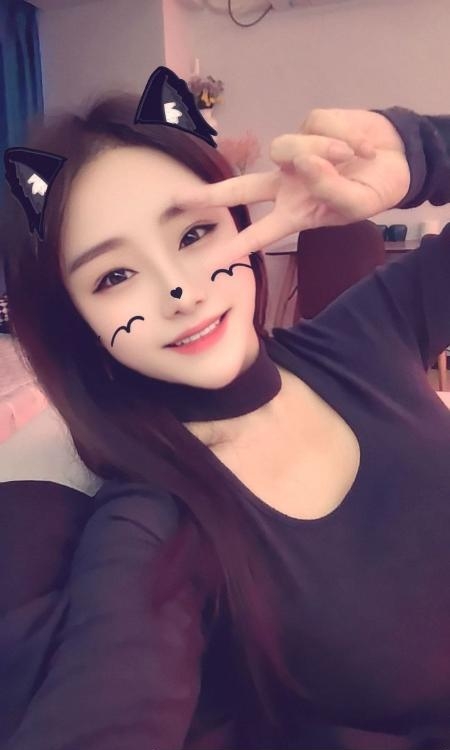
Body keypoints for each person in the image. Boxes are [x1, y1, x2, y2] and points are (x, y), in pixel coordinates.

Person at [1, 66, 450, 749]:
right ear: (77, 323)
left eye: (193, 235)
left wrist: (420, 153)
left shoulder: (368, 330)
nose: (178, 291)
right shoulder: (151, 518)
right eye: (115, 275)